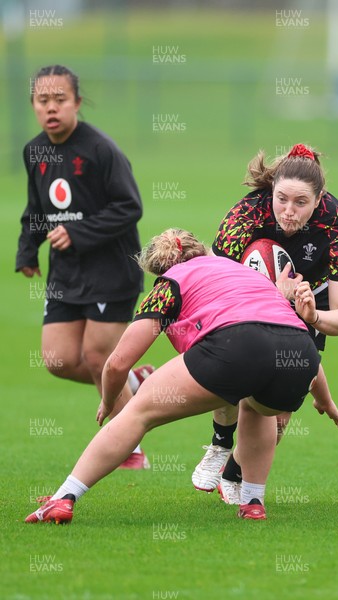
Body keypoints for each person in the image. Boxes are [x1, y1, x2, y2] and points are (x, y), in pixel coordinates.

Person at [24, 228, 338, 525]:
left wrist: (109, 402)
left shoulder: (172, 281)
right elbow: (286, 329)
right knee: (258, 402)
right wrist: (325, 400)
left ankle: (64, 497)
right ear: (203, 251)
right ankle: (253, 502)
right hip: (301, 354)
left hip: (237, 345)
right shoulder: (245, 273)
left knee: (138, 413)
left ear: (158, 269)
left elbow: (118, 363)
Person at [192, 143, 338, 502]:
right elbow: (218, 285)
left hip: (308, 301)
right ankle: (220, 442)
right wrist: (269, 292)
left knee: (279, 412)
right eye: (281, 199)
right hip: (244, 296)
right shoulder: (245, 215)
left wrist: (312, 316)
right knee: (230, 370)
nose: (288, 211)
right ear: (272, 191)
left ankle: (235, 470)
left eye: (301, 202)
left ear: (319, 200)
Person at [16, 64, 154, 469]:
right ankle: (133, 381)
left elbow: (130, 207)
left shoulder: (101, 150)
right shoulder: (33, 151)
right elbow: (36, 209)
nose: (51, 108)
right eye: (43, 101)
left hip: (112, 270)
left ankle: (130, 448)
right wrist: (28, 250)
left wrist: (78, 233)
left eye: (60, 100)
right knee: (58, 360)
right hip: (67, 274)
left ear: (77, 102)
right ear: (34, 105)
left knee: (98, 357)